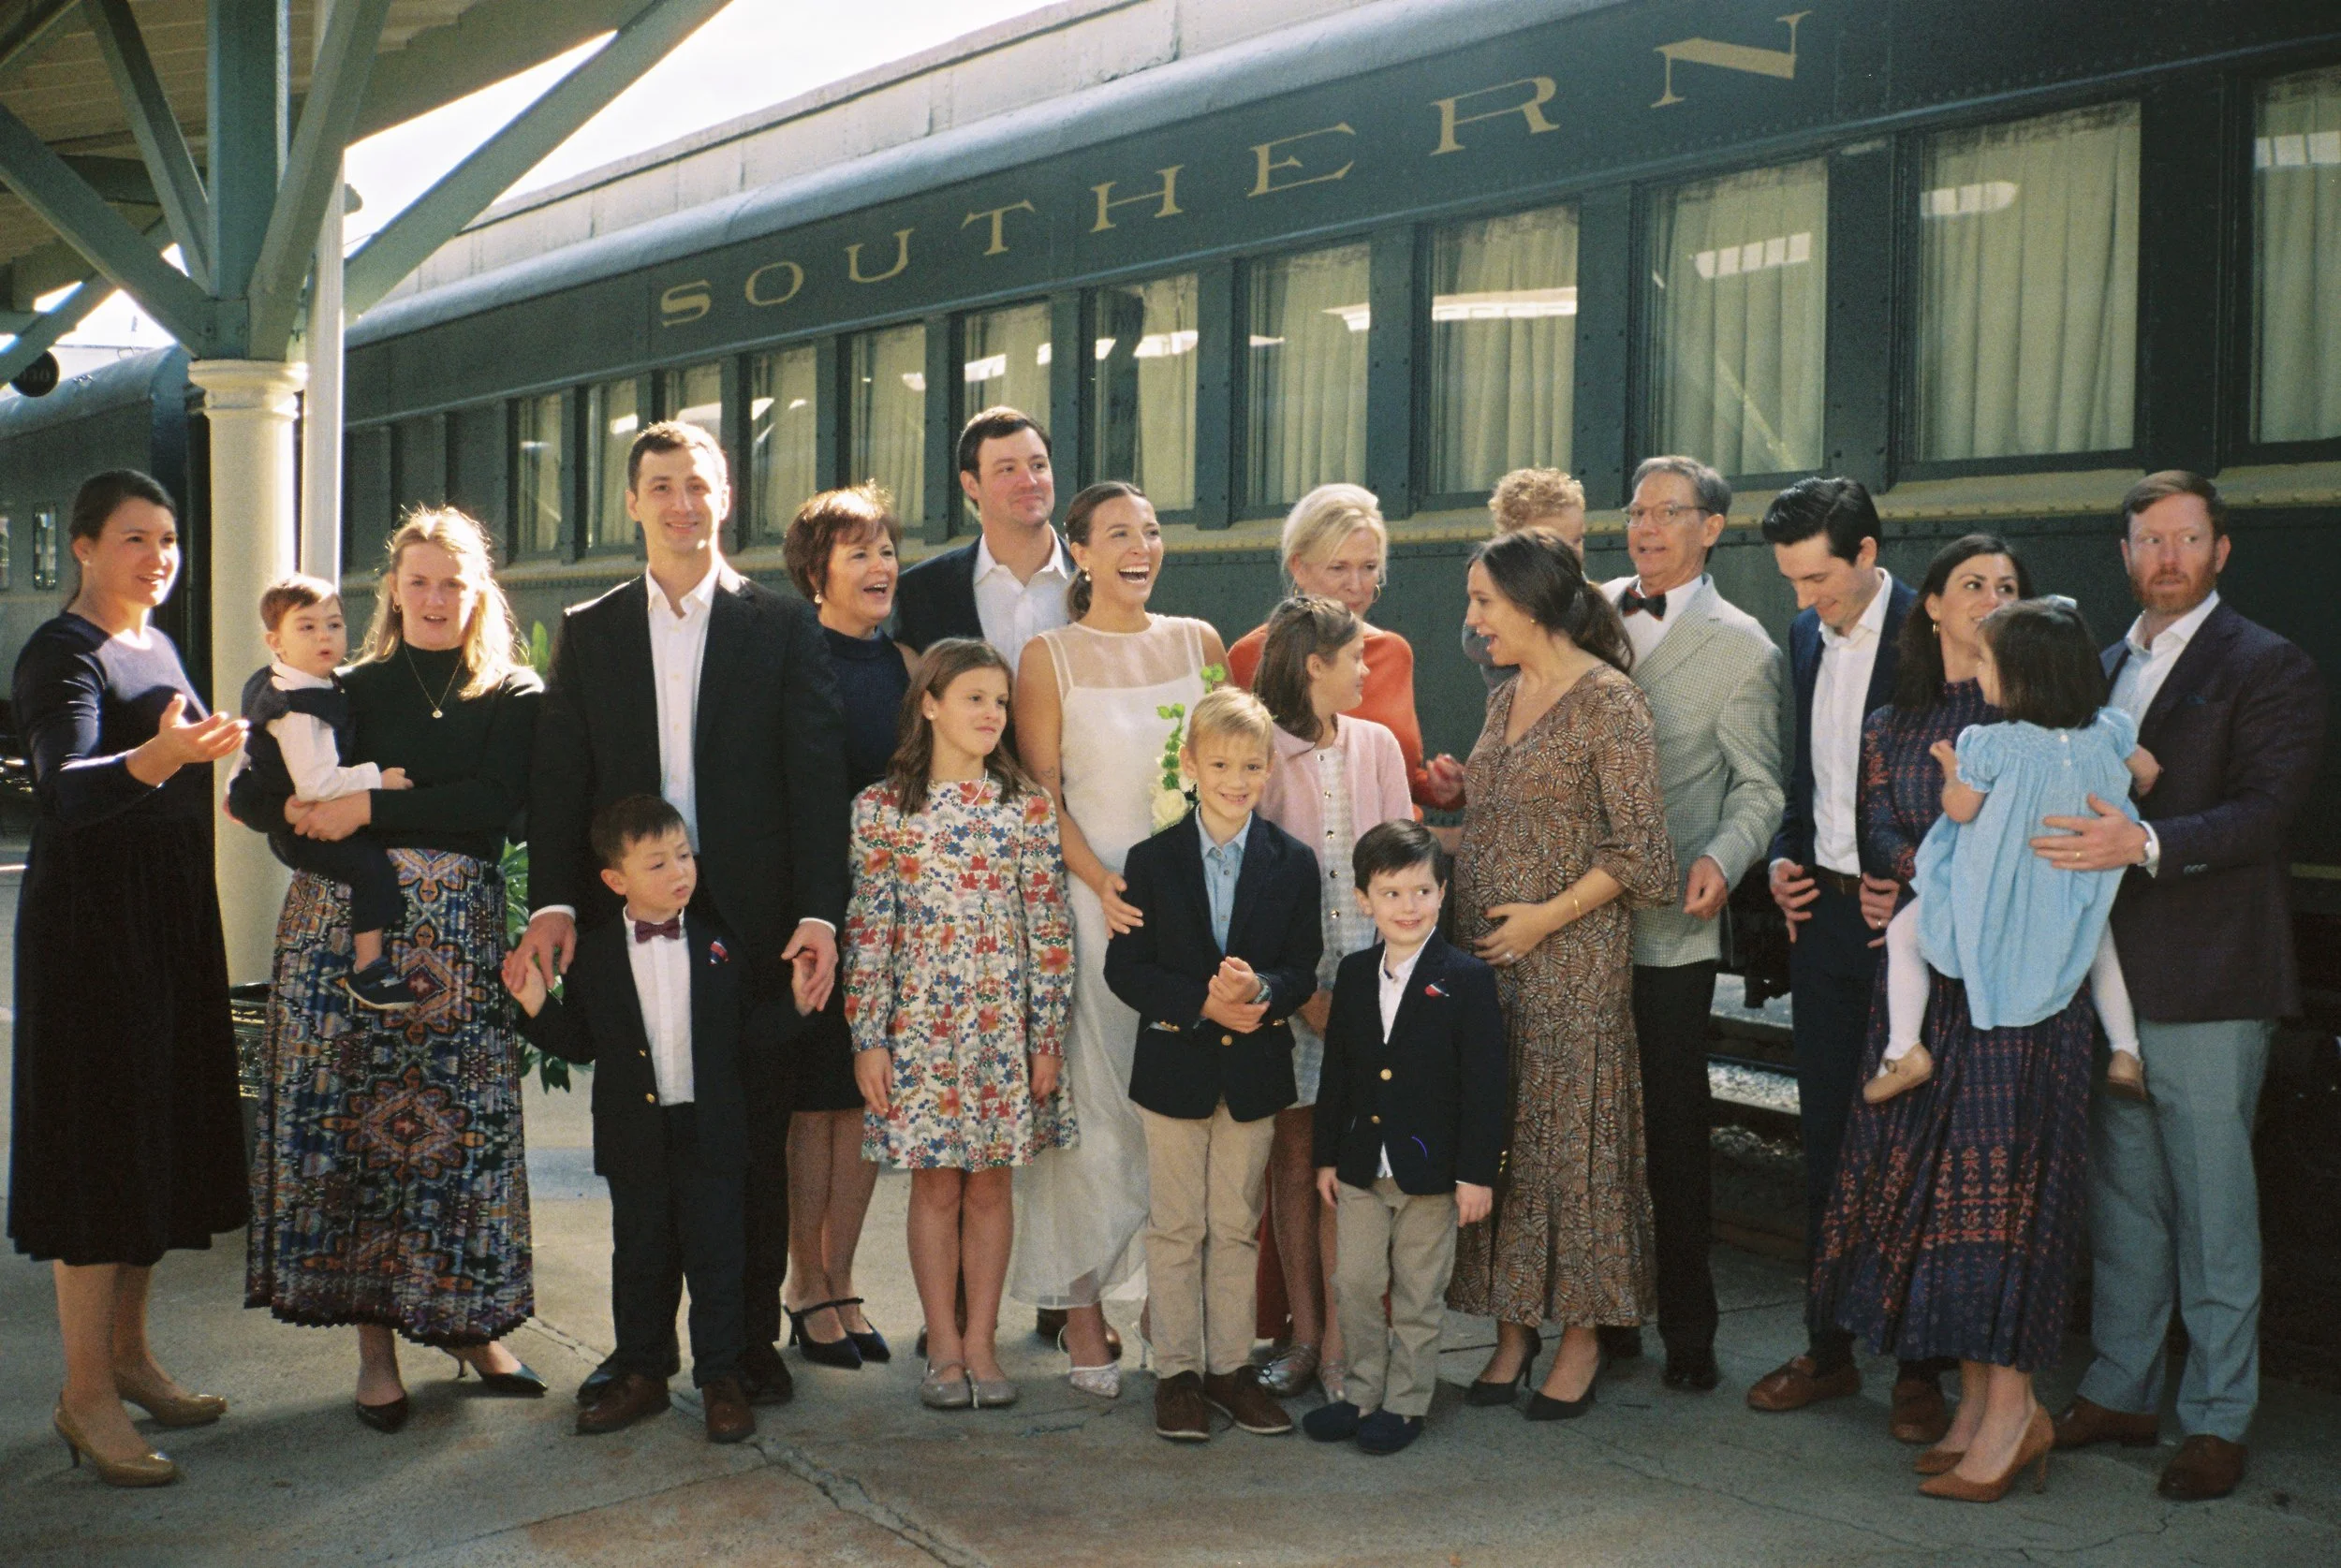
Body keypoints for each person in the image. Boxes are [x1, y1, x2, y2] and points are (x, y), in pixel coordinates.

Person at [516, 419, 848, 1409]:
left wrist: (820, 917)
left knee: (749, 1146)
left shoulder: (782, 626)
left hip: (749, 925)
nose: (681, 504)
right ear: (633, 502)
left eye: (698, 485)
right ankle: (641, 1356)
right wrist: (555, 903)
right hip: (626, 927)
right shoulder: (592, 628)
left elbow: (816, 780)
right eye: (661, 486)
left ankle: (742, 1345)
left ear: (726, 497)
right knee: (643, 1153)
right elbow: (559, 781)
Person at [2050, 472, 2327, 1503]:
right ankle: (2121, 1386)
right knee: (2124, 1199)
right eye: (2147, 540)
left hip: (2209, 975)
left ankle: (2217, 1414)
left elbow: (2265, 811)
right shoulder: (2104, 663)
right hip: (2107, 976)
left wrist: (2147, 838)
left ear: (2219, 550)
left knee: (2214, 1209)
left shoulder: (2266, 664)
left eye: (2186, 539)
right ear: (2123, 553)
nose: (2165, 557)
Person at [1807, 558, 2107, 1503]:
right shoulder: (1979, 734)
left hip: (2022, 1002)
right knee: (1964, 1208)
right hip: (1965, 994)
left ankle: (2014, 1414)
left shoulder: (2040, 749)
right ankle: (1985, 1408)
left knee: (2008, 1207)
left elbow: (2005, 858)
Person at [245, 506, 546, 1431]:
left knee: (459, 1145)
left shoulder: (514, 692)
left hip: (458, 947)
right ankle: (375, 1353)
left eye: (451, 581)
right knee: (361, 1150)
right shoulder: (346, 687)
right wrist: (320, 826)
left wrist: (366, 808)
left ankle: (471, 1325)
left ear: (478, 589)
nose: (433, 597)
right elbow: (271, 799)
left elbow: (496, 804)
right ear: (393, 590)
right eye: (417, 580)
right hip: (344, 946)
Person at [10, 471, 246, 1487]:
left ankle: (131, 1357)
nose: (157, 556)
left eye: (168, 540)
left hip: (164, 919)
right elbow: (66, 791)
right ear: (83, 546)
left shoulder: (157, 641)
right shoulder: (58, 653)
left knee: (154, 1137)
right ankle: (83, 1395)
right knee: (98, 1153)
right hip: (91, 935)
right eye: (134, 538)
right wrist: (161, 756)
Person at [1449, 528, 1675, 1420]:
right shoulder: (1505, 701)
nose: (1471, 620)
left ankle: (1581, 1331)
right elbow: (1497, 815)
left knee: (1570, 1145)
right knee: (1497, 1134)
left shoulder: (1610, 703)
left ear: (1535, 604)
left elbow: (1643, 851)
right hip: (1483, 964)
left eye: (1483, 602)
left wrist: (1543, 918)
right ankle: (1512, 1327)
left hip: (1571, 964)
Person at [1745, 476, 1951, 1443]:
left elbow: (1971, 782)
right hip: (1821, 924)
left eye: (1817, 578)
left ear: (1868, 554)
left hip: (1909, 932)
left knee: (1910, 1144)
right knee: (1824, 1135)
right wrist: (1786, 857)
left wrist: (1904, 878)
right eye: (1789, 579)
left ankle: (1919, 1370)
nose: (1802, 599)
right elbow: (1808, 780)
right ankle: (1827, 1347)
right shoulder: (1800, 636)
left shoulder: (1933, 634)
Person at [1012, 480, 1227, 1396]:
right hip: (1096, 912)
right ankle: (1086, 1308)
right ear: (1081, 553)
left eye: (1150, 530)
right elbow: (1040, 794)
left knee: (1177, 1116)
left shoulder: (1199, 643)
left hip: (1193, 910)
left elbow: (1232, 760)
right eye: (1117, 534)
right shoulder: (1047, 657)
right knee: (1096, 1114)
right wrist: (1102, 883)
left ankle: (1169, 1311)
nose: (1139, 547)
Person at [844, 639, 1076, 1411]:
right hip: (919, 1026)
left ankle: (983, 1341)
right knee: (937, 1186)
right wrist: (868, 1036)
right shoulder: (882, 810)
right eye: (974, 697)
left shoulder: (1026, 808)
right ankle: (941, 1342)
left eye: (1001, 701)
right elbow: (870, 928)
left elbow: (1048, 927)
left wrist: (1046, 1039)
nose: (991, 713)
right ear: (930, 703)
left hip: (1002, 1024)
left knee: (991, 1187)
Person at [1598, 456, 1785, 1390]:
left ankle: (1689, 1329)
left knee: (1672, 1133)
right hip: (1574, 926)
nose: (1646, 528)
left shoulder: (1744, 646)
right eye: (1637, 511)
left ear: (1711, 527)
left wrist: (1723, 855)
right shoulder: (1585, 609)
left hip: (1670, 926)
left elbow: (1759, 784)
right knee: (1594, 1131)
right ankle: (1604, 1316)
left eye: (1668, 512)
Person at [504, 796, 767, 1444]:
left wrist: (797, 1000)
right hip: (636, 1139)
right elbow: (581, 1042)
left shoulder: (719, 943)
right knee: (641, 1259)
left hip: (711, 1134)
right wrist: (535, 1004)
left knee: (717, 1260)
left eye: (683, 855)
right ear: (616, 880)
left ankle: (721, 1380)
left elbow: (750, 1033)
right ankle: (645, 1373)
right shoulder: (595, 955)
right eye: (657, 862)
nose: (678, 871)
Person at [1104, 687, 1323, 1443]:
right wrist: (1204, 1000)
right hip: (1175, 1071)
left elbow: (1303, 967)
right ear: (1191, 764)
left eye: (1251, 765)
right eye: (1221, 762)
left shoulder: (1292, 863)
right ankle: (1179, 1373)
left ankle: (1231, 1367)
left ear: (1269, 771)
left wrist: (1260, 992)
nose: (1237, 778)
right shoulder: (1152, 858)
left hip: (1254, 1073)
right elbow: (1126, 970)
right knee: (1177, 1225)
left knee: (1236, 1223)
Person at [1867, 603, 2153, 1105]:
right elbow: (2148, 773)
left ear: (2022, 676)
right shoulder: (2109, 730)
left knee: (1902, 934)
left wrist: (1953, 771)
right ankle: (2126, 1051)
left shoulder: (1991, 745)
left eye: (1984, 661)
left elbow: (1959, 810)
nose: (1976, 670)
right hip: (2072, 881)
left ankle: (1904, 1047)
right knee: (2095, 944)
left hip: (1996, 889)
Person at [1248, 593, 1414, 1401]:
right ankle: (1305, 1335)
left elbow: (1402, 867)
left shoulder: (1376, 744)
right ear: (1316, 665)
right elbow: (1252, 887)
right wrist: (1301, 993)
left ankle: (1349, 1342)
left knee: (1350, 1170)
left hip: (1368, 985)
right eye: (1353, 657)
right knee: (1292, 1158)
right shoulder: (1261, 753)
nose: (1365, 669)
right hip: (1293, 989)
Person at [1303, 821, 1505, 1456]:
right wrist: (1327, 1156)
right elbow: (1337, 1072)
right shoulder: (1357, 974)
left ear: (1442, 893)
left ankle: (1405, 1402)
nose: (1408, 907)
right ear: (1365, 899)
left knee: (1419, 1292)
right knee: (1357, 1282)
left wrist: (1477, 1173)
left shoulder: (1466, 978)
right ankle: (1363, 1390)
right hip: (1363, 1166)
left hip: (1433, 1173)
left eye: (1421, 891)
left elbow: (1485, 1084)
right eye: (1392, 893)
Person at [776, 483, 917, 1370]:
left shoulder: (905, 665)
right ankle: (805, 1284)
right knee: (812, 1104)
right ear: (816, 571)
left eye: (887, 550)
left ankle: (843, 1276)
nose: (881, 566)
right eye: (859, 551)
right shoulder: (792, 656)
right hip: (811, 908)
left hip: (888, 911)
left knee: (866, 1106)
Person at [228, 574, 420, 1011]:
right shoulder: (299, 708)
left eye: (334, 624)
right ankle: (369, 968)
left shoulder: (287, 682)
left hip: (296, 815)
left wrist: (232, 789)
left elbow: (245, 744)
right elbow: (316, 783)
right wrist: (378, 778)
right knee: (369, 866)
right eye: (307, 627)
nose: (325, 636)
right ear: (275, 642)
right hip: (300, 829)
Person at [1227, 483, 1465, 812]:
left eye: (1368, 567)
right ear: (1299, 566)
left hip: (1392, 856)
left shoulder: (1394, 653)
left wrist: (1438, 788)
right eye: (1338, 567)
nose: (1356, 585)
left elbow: (1402, 776)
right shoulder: (1250, 655)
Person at [893, 405, 1067, 667]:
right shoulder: (922, 593)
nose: (1029, 481)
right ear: (971, 484)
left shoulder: (1098, 579)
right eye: (1007, 469)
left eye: (1038, 465)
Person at [1464, 468, 1586, 688]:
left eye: (1577, 540)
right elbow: (1473, 640)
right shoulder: (1498, 583)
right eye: (1554, 544)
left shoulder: (1583, 588)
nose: (1570, 553)